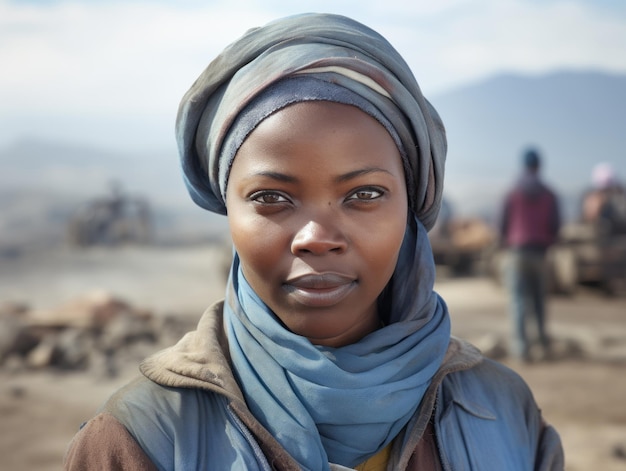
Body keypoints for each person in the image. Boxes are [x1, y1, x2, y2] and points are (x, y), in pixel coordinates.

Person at [64, 13, 563, 470]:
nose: (317, 238)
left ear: (411, 208)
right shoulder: (138, 443)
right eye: (271, 198)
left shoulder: (503, 415)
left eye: (365, 194)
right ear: (228, 210)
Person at [499, 148, 561, 363]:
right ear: (539, 166)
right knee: (539, 302)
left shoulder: (512, 192)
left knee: (518, 301)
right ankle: (543, 345)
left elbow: (502, 224)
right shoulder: (549, 194)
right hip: (541, 253)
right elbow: (555, 225)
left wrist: (504, 243)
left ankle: (521, 350)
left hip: (517, 252)